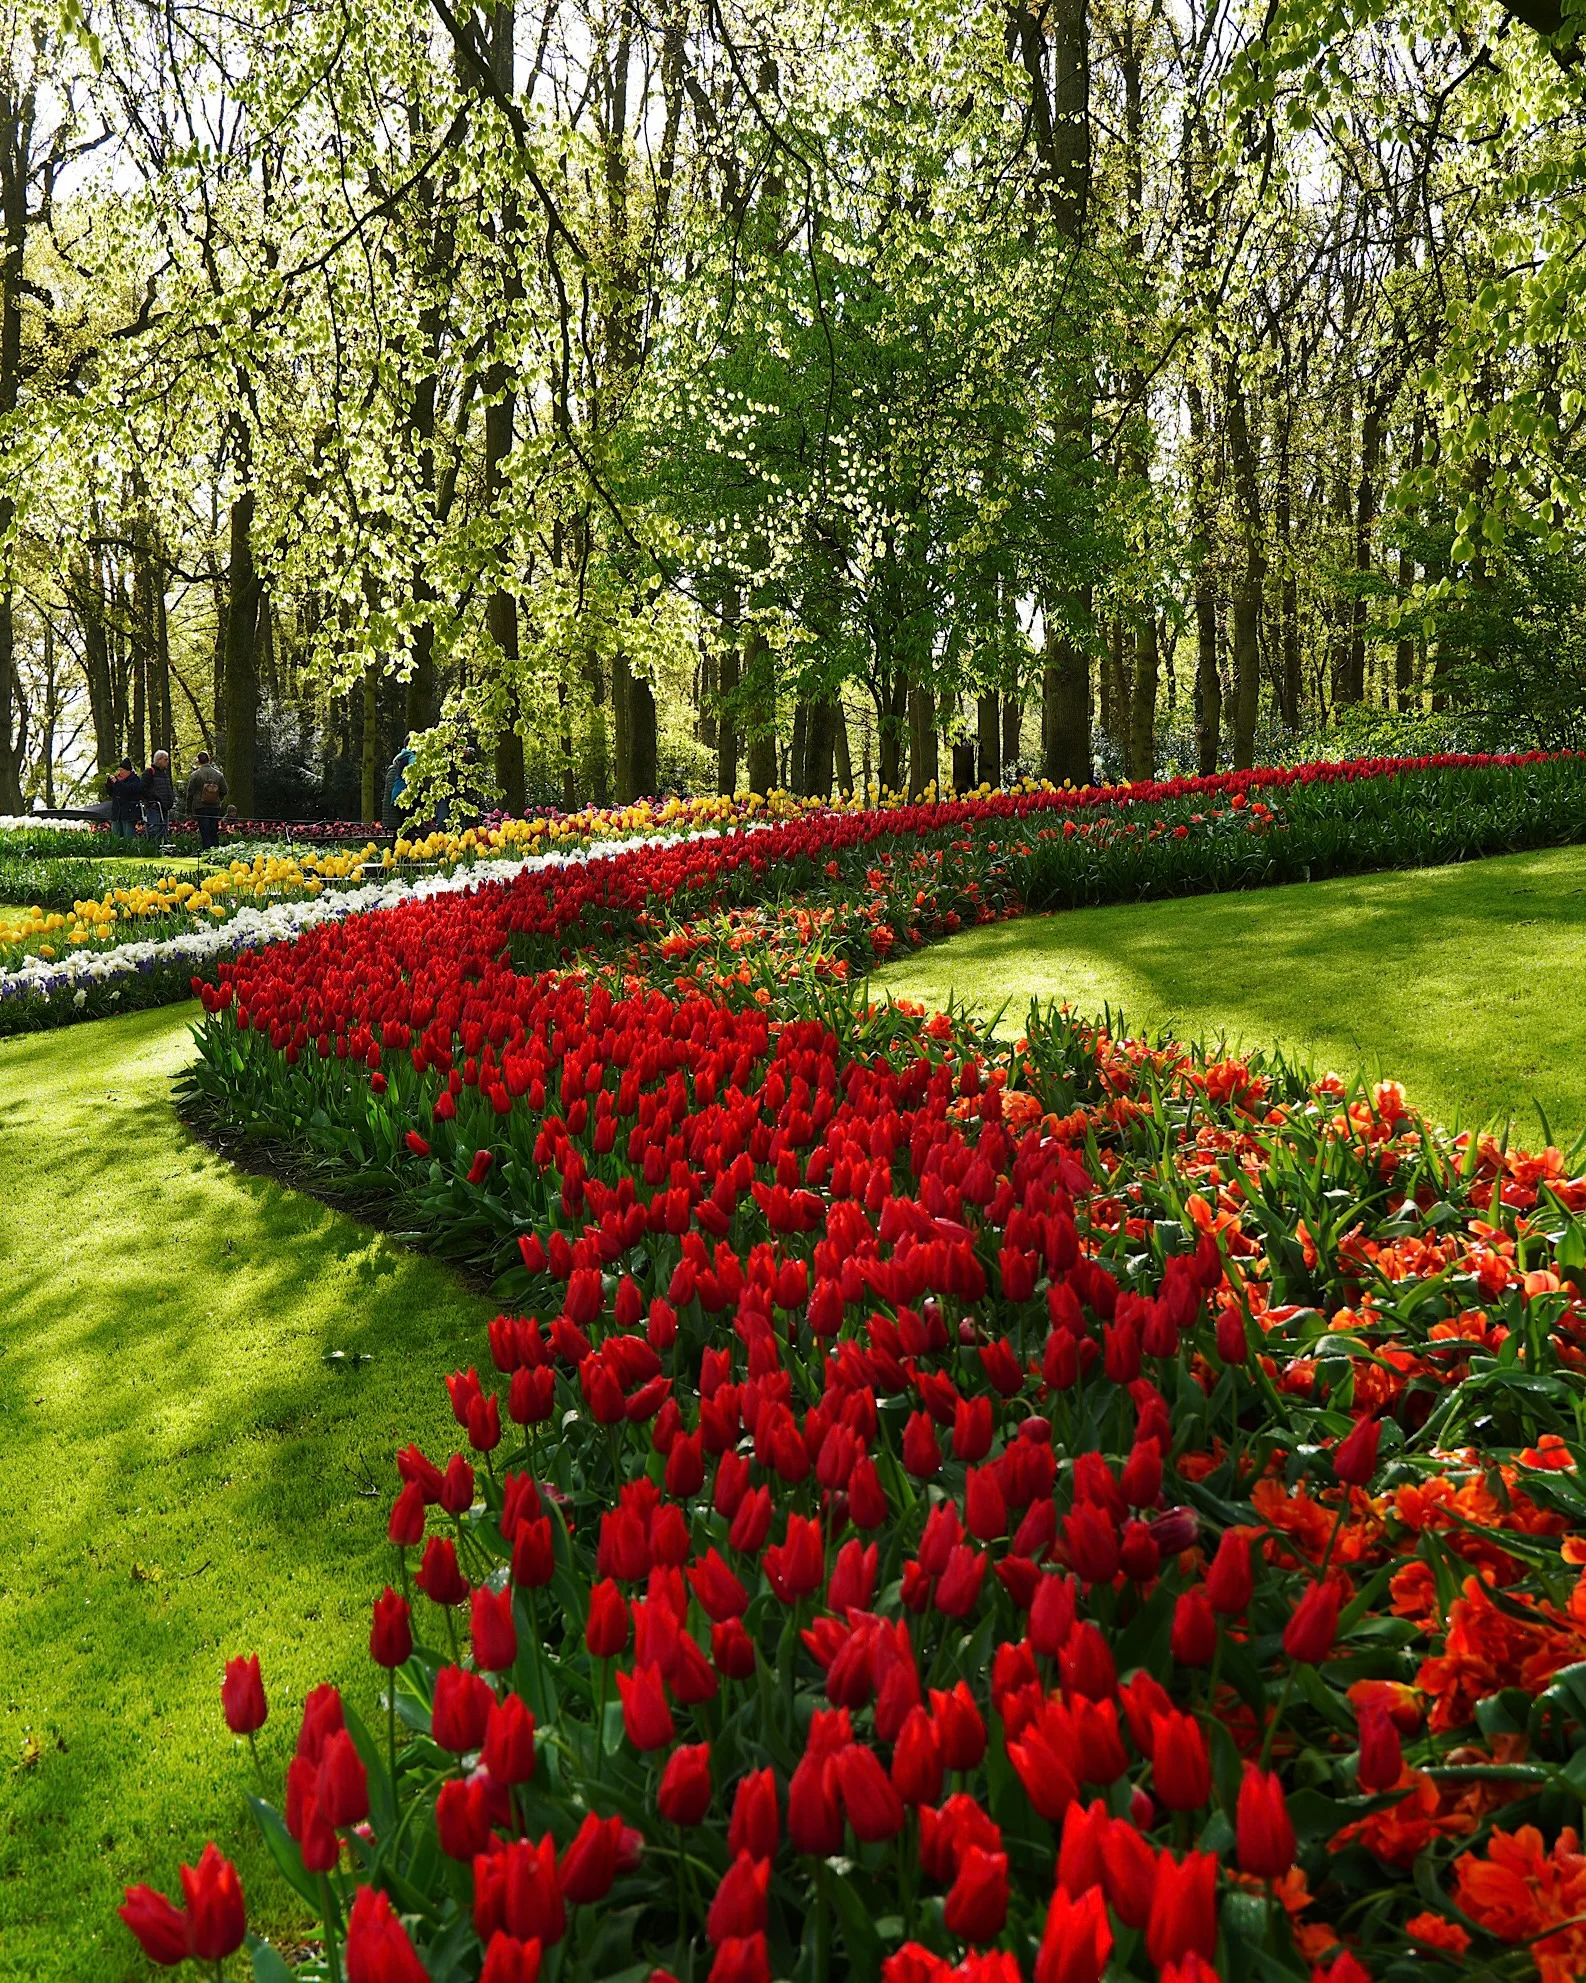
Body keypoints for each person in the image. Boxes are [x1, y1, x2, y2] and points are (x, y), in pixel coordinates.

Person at [187, 750, 228, 851]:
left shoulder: (195, 775)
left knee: (204, 830)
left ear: (199, 761)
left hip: (200, 806)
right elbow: (224, 790)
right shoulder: (219, 775)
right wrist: (218, 798)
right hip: (214, 806)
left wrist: (188, 807)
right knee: (214, 829)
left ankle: (206, 851)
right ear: (209, 760)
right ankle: (215, 850)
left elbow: (190, 792)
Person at [141, 750, 175, 853]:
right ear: (159, 760)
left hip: (164, 806)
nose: (167, 762)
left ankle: (163, 850)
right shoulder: (149, 772)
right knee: (155, 829)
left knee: (163, 830)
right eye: (165, 760)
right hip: (154, 807)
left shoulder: (164, 774)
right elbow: (143, 788)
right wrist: (153, 800)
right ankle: (152, 849)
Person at [106, 758, 143, 840]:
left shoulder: (135, 780)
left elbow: (128, 790)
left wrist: (117, 783)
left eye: (122, 770)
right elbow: (111, 793)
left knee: (128, 837)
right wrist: (109, 785)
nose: (120, 773)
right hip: (117, 813)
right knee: (116, 838)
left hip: (129, 814)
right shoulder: (118, 780)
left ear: (128, 771)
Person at [383, 743, 415, 836]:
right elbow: (392, 788)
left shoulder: (400, 769)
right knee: (401, 836)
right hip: (394, 812)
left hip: (399, 809)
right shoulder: (394, 770)